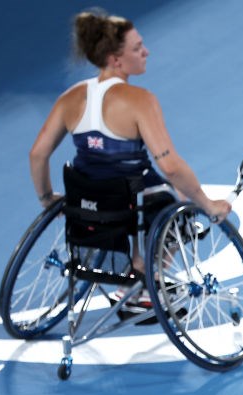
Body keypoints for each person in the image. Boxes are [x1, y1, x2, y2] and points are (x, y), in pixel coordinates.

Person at [28, 8, 231, 286]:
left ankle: (135, 268)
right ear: (116, 60)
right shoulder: (141, 100)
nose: (146, 52)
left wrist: (47, 199)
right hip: (130, 204)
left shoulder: (69, 98)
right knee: (181, 198)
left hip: (85, 203)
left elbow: (37, 154)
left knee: (154, 191)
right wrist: (208, 205)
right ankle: (146, 282)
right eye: (137, 48)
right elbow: (170, 167)